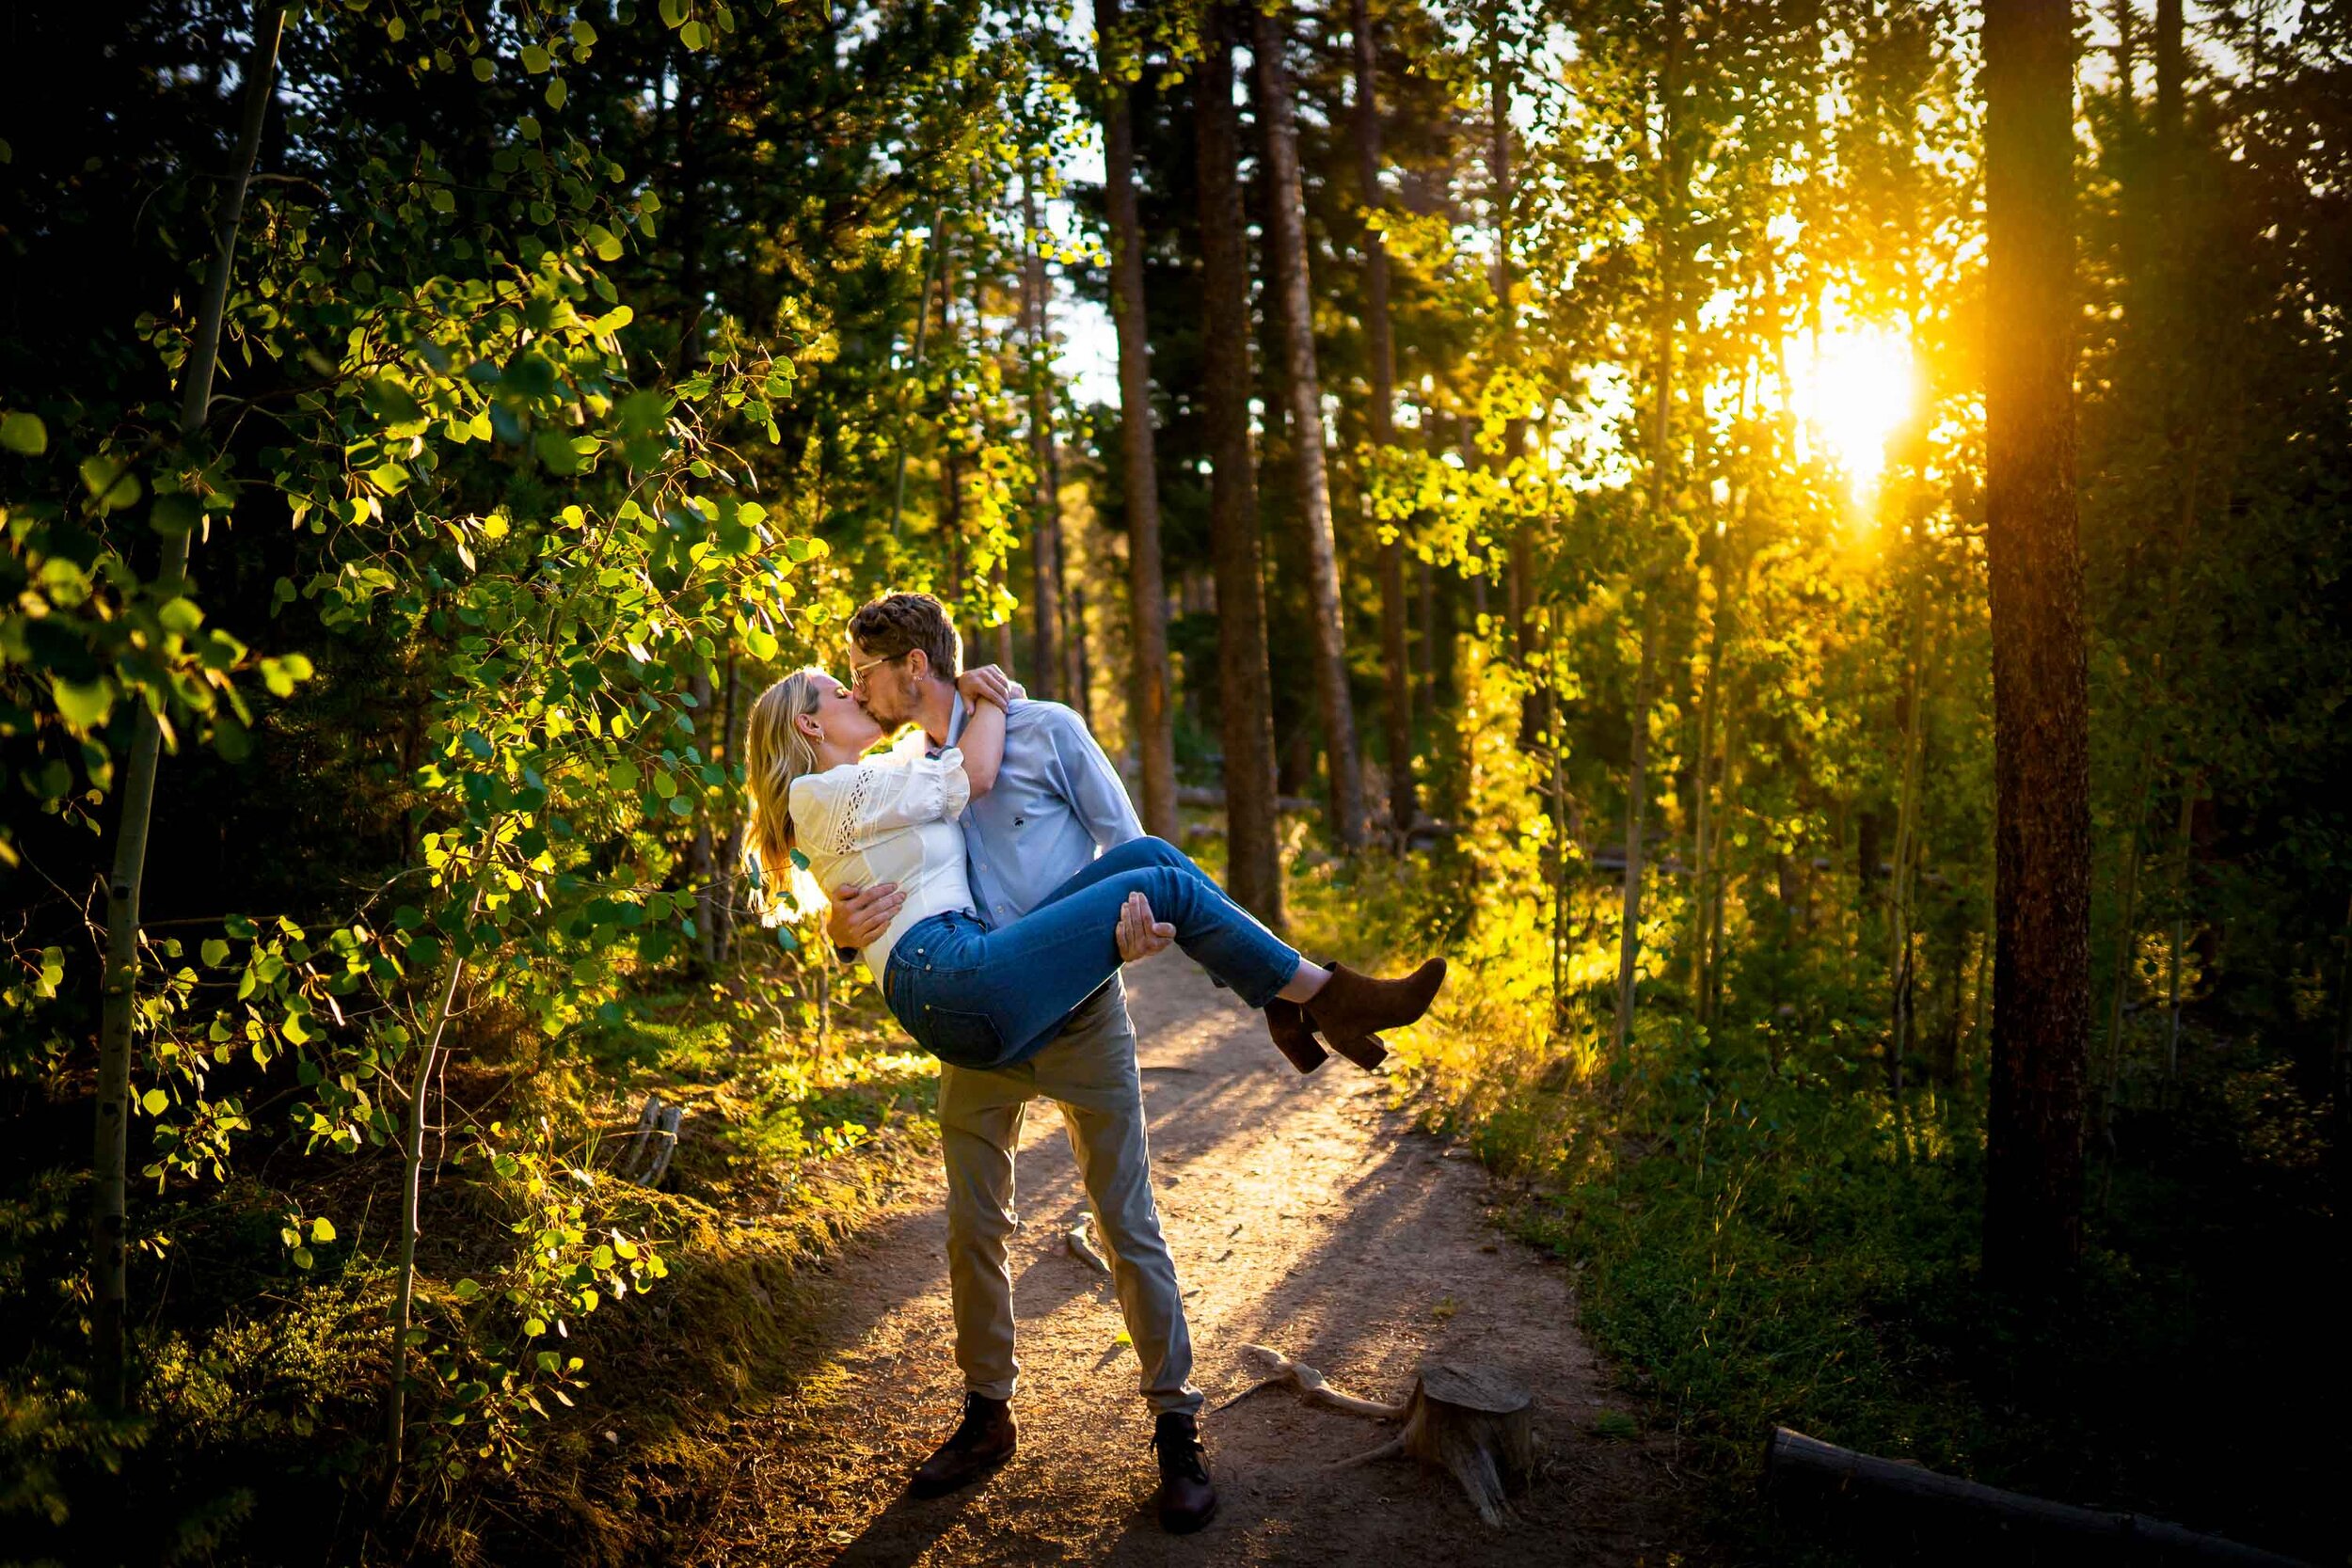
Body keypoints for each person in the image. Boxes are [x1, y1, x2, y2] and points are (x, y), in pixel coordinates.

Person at [740, 594, 1444, 1533]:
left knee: (1128, 1220)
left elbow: (1124, 846)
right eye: (842, 683)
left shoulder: (1046, 727)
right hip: (981, 1006)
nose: (856, 685)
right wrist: (834, 928)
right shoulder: (912, 761)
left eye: (860, 671)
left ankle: (1176, 1426)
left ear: (910, 665)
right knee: (971, 1229)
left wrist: (1139, 935)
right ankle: (988, 1413)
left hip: (1074, 1011)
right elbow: (861, 866)